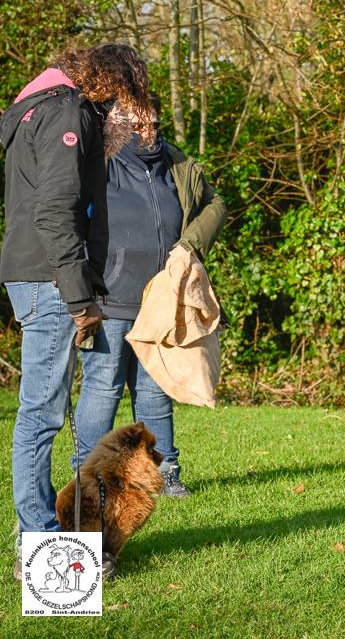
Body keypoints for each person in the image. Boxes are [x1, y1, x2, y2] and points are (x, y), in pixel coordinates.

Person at [0, 43, 152, 581]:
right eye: (120, 96)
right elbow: (55, 211)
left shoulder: (37, 107)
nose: (117, 111)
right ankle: (39, 547)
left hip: (33, 273)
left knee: (41, 413)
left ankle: (47, 537)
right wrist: (79, 298)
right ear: (110, 82)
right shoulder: (67, 112)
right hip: (49, 278)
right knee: (41, 416)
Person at [73, 95, 226, 505]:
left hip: (159, 303)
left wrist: (189, 246)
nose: (149, 132)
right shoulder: (97, 163)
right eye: (139, 125)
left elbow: (215, 204)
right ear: (118, 126)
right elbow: (68, 216)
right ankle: (87, 472)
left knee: (154, 392)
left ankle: (166, 471)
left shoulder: (176, 164)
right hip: (107, 300)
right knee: (102, 389)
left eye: (154, 124)